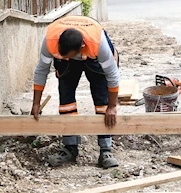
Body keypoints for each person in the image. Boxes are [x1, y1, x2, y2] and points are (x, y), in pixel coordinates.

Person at [31, 16, 121, 169]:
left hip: (93, 58)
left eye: (69, 55)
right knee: (66, 100)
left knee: (102, 101)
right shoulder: (50, 41)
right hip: (68, 56)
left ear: (81, 47)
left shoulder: (97, 44)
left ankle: (105, 149)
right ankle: (70, 148)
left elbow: (112, 75)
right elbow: (41, 71)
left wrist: (112, 106)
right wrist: (36, 103)